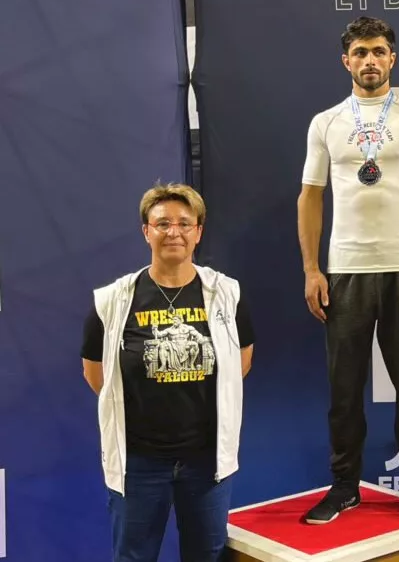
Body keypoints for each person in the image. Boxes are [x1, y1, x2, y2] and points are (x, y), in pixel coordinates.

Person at [297, 16, 399, 523]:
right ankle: (344, 487)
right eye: (360, 52)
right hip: (345, 273)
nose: (370, 60)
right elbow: (310, 198)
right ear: (346, 61)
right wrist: (312, 270)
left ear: (392, 59)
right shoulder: (325, 122)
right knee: (344, 391)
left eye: (378, 51)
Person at [81, 183, 255, 562]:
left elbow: (240, 361)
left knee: (207, 555)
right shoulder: (112, 300)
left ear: (198, 232)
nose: (173, 232)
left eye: (184, 223)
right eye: (162, 224)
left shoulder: (227, 294)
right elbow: (97, 374)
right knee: (133, 557)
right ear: (147, 231)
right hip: (139, 464)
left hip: (206, 463)